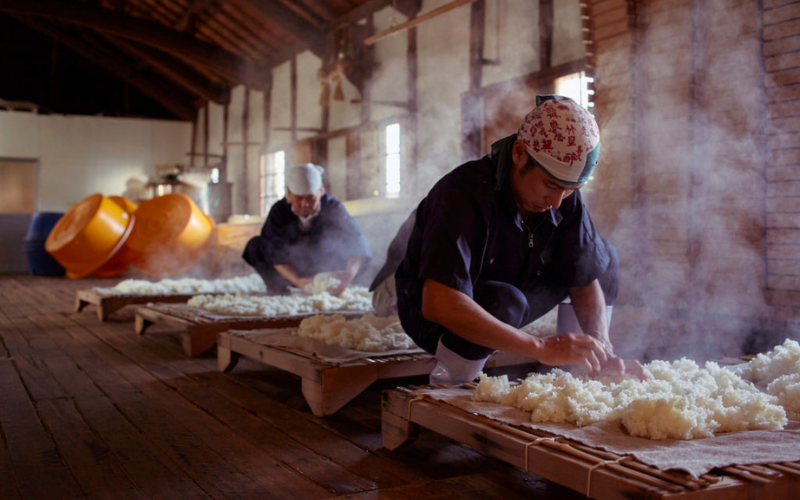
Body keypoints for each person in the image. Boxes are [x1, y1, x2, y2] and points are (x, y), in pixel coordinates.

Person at [395, 95, 642, 385]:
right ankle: (453, 376)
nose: (557, 201)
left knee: (602, 255)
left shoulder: (561, 198)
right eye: (551, 185)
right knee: (505, 301)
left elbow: (584, 278)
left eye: (570, 189)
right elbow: (438, 303)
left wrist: (603, 348)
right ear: (519, 153)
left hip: (512, 292)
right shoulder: (462, 193)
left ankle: (583, 368)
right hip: (437, 317)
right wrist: (540, 347)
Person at [243, 163, 371, 296]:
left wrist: (347, 276)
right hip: (292, 272)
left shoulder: (334, 208)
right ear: (289, 193)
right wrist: (298, 281)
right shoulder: (279, 211)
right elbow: (272, 250)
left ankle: (332, 288)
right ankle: (279, 290)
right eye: (299, 198)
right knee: (255, 246)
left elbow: (357, 244)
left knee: (347, 249)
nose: (305, 204)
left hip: (325, 268)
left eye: (311, 198)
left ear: (321, 191)